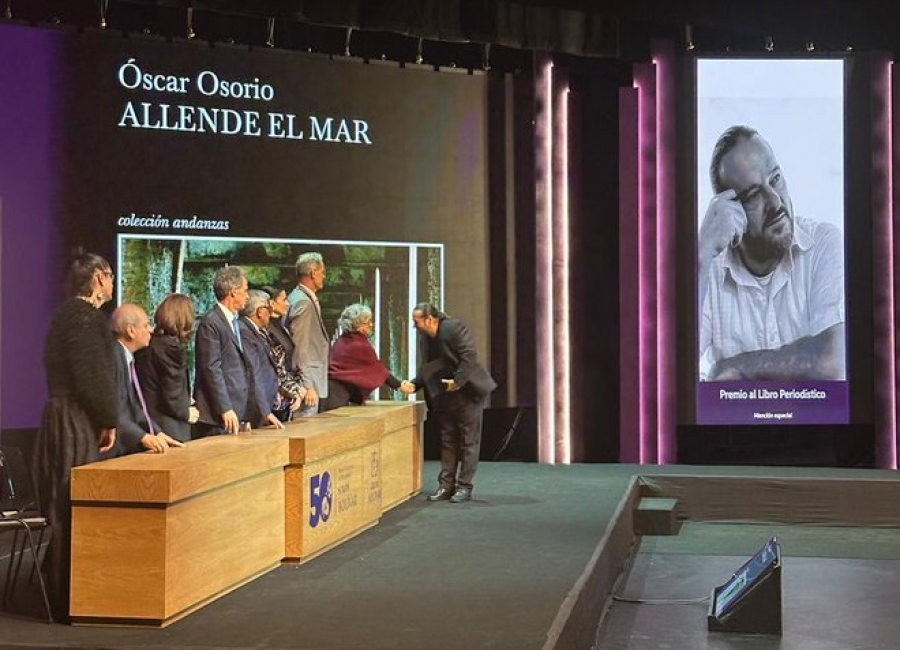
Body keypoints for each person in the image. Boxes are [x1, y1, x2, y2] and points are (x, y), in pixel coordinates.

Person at [698, 125, 845, 381]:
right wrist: (702, 254)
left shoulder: (823, 244)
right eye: (754, 195)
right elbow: (670, 371)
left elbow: (834, 363)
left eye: (775, 179)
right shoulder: (709, 269)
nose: (775, 202)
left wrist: (734, 368)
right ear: (730, 211)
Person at [30, 250, 118, 622]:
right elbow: (92, 377)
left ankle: (69, 595)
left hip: (65, 418)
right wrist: (108, 419)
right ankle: (71, 599)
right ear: (98, 278)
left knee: (70, 506)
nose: (112, 282)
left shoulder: (67, 316)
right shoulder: (83, 317)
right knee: (75, 505)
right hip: (72, 422)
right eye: (110, 275)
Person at [400, 302, 496, 503]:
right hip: (445, 394)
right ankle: (446, 485)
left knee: (468, 441)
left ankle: (464, 487)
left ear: (429, 319)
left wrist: (457, 382)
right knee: (448, 439)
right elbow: (430, 367)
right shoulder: (425, 337)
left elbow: (469, 356)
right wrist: (415, 384)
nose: (414, 325)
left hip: (467, 391)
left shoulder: (453, 328)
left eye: (417, 321)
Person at [111, 303, 185, 454]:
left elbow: (136, 407)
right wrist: (143, 437)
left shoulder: (126, 357)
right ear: (131, 331)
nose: (151, 330)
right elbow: (115, 409)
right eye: (146, 325)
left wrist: (156, 432)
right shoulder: (111, 358)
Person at [193, 266, 252, 436]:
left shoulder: (234, 321)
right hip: (218, 416)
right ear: (233, 292)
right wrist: (225, 408)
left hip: (236, 411)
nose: (247, 296)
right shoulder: (211, 323)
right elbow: (211, 368)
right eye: (245, 290)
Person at [134, 293, 199, 442]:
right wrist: (185, 412)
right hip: (169, 425)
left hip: (149, 419)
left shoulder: (148, 343)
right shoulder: (171, 348)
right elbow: (171, 391)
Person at [319, 303, 402, 412]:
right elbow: (377, 369)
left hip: (330, 394)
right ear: (357, 325)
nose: (371, 325)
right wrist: (399, 385)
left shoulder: (343, 340)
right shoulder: (359, 345)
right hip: (337, 398)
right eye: (367, 322)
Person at [286, 252, 329, 416]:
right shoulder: (303, 302)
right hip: (306, 384)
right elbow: (299, 346)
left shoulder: (300, 298)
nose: (324, 276)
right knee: (305, 426)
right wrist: (307, 384)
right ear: (313, 273)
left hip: (307, 380)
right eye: (322, 272)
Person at [238, 289, 286, 429]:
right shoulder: (244, 332)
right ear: (260, 311)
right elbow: (254, 372)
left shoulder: (254, 331)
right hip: (254, 410)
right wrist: (264, 411)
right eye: (268, 309)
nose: (270, 314)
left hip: (262, 406)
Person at [260, 284, 306, 421]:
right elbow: (276, 367)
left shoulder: (282, 327)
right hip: (275, 399)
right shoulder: (267, 331)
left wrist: (298, 387)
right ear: (272, 303)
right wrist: (294, 390)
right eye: (284, 299)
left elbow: (292, 361)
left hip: (289, 397)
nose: (287, 304)